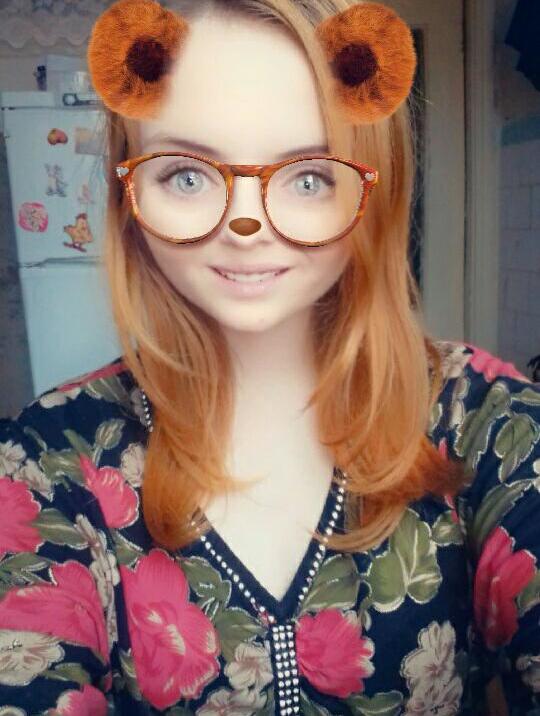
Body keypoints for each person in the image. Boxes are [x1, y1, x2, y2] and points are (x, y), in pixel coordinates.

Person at [0, 0, 539, 713]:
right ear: (130, 194)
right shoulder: (47, 459)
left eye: (308, 176)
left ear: (371, 189)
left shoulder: (483, 417)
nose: (245, 225)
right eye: (187, 175)